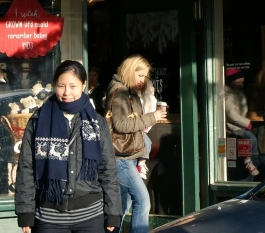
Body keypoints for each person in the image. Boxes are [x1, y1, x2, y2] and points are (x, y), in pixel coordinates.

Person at [15, 60, 121, 233]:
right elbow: (26, 168)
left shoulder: (96, 122)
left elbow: (108, 169)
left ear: (83, 85)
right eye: (61, 85)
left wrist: (113, 211)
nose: (66, 92)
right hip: (49, 217)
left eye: (73, 86)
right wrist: (25, 211)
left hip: (91, 216)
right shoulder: (38, 120)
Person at [105, 55, 167, 233]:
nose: (142, 80)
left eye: (145, 76)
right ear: (129, 71)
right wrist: (152, 117)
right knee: (142, 200)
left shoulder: (127, 90)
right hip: (121, 157)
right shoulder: (120, 92)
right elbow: (121, 125)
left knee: (122, 206)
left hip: (126, 156)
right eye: (140, 75)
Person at [223, 68, 260, 178]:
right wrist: (246, 122)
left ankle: (250, 159)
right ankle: (249, 161)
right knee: (251, 138)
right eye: (238, 82)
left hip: (239, 125)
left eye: (242, 82)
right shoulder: (228, 96)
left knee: (249, 140)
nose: (241, 84)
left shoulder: (239, 93)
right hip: (233, 127)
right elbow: (231, 114)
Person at [136, 79, 157, 180]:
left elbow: (151, 113)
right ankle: (141, 164)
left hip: (141, 128)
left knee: (146, 142)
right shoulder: (125, 94)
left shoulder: (150, 99)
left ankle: (141, 163)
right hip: (132, 128)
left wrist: (145, 127)